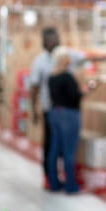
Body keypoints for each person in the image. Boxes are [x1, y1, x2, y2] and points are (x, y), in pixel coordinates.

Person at [29, 28, 85, 189]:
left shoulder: (67, 55)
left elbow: (85, 58)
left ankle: (57, 179)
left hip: (56, 112)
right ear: (44, 42)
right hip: (53, 110)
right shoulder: (39, 62)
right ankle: (51, 178)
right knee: (52, 146)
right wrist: (34, 110)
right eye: (50, 39)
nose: (54, 42)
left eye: (56, 38)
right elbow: (34, 88)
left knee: (57, 147)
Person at [46, 46, 84, 193]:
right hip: (69, 115)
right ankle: (71, 185)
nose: (70, 59)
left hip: (54, 114)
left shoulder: (51, 77)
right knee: (69, 151)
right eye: (67, 56)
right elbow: (75, 96)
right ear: (62, 59)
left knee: (54, 149)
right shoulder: (67, 77)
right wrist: (86, 89)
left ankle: (54, 183)